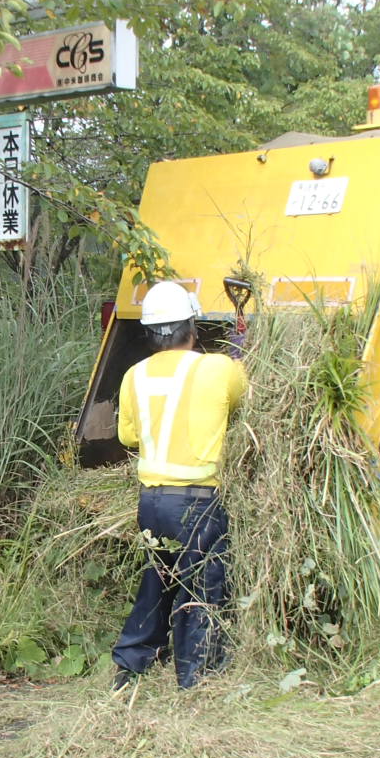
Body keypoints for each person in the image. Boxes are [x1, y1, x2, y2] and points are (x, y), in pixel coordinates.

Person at [111, 280, 247, 691]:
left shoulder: (134, 376)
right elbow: (243, 396)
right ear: (193, 326)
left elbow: (128, 438)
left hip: (151, 503)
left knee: (159, 578)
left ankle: (130, 665)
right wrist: (241, 346)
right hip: (198, 503)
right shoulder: (217, 368)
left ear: (150, 333)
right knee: (202, 586)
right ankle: (196, 677)